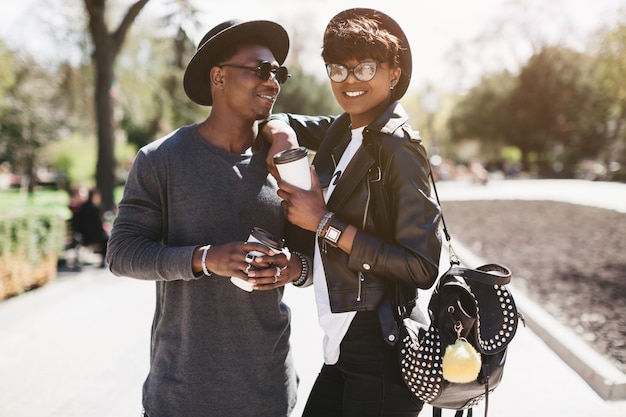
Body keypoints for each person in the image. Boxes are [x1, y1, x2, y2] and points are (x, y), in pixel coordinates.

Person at [106, 19, 311, 417]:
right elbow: (122, 254)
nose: (273, 82)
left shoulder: (286, 166)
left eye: (277, 73)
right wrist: (204, 258)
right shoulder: (160, 159)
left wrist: (292, 268)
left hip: (268, 395)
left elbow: (316, 260)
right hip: (181, 396)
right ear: (218, 76)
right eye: (259, 69)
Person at [264, 8, 442, 416]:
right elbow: (282, 117)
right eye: (337, 70)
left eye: (364, 68)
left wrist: (323, 224)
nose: (349, 81)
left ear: (393, 73)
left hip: (380, 346)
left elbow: (422, 266)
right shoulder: (342, 131)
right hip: (341, 342)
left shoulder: (399, 149)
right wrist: (281, 136)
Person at [72, 187, 109, 267]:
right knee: (107, 237)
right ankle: (104, 260)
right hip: (90, 236)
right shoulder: (91, 208)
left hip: (83, 236)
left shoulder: (81, 208)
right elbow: (98, 225)